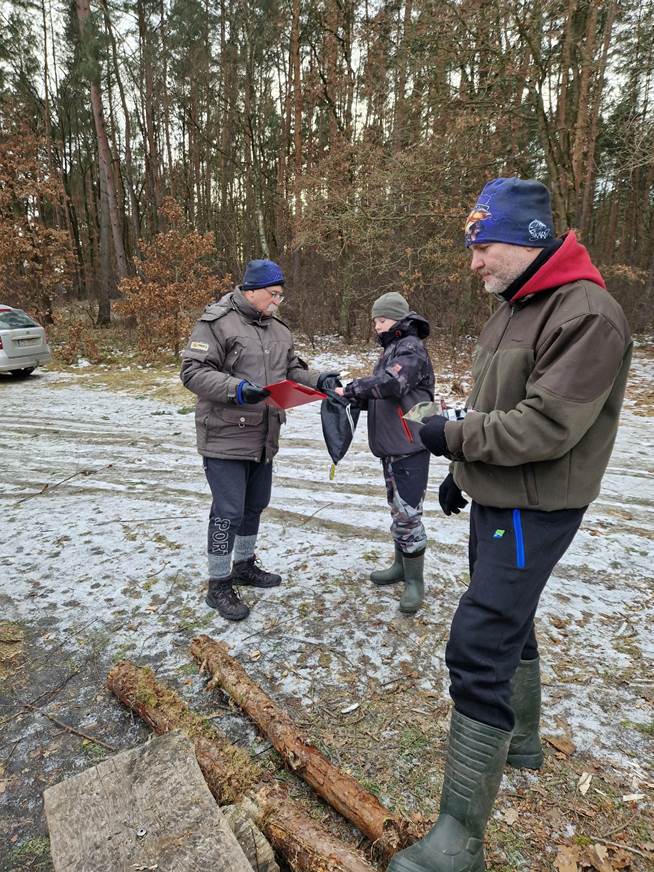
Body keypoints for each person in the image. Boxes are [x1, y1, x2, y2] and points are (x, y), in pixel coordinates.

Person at [387, 178, 632, 872]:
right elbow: (496, 403)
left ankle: (459, 840)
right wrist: (462, 474)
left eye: (482, 246)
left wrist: (454, 439)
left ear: (526, 239)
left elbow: (546, 425)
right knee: (510, 618)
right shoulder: (515, 306)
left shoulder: (587, 314)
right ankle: (521, 741)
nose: (474, 263)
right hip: (501, 494)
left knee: (480, 640)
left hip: (535, 504)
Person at [180, 258, 338, 622]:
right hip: (223, 432)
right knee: (228, 511)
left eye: (281, 294)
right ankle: (218, 584)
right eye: (273, 294)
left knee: (255, 505)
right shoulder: (216, 323)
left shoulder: (278, 329)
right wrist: (237, 389)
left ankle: (244, 565)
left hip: (264, 434)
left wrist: (320, 380)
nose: (278, 301)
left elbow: (292, 368)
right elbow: (192, 372)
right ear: (251, 290)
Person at [336, 292, 435, 614]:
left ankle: (414, 582)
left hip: (411, 444)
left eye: (381, 320)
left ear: (397, 319)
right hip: (394, 443)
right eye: (375, 321)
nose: (376, 326)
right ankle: (400, 566)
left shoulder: (411, 348)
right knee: (397, 509)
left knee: (408, 513)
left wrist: (352, 388)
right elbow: (382, 392)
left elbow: (391, 385)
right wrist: (353, 398)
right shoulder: (394, 347)